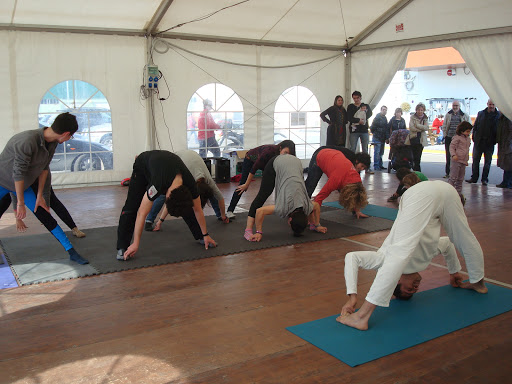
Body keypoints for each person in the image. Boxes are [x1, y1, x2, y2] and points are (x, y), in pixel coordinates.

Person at [337, 180, 486, 331]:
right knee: (464, 237)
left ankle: (361, 317)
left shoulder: (383, 260)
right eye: (414, 291)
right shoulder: (424, 260)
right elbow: (447, 244)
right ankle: (478, 282)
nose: (415, 288)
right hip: (447, 190)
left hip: (420, 193)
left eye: (408, 290)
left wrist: (353, 297)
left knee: (399, 253)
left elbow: (352, 257)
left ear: (396, 281)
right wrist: (454, 272)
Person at [0, 112, 88, 264]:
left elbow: (44, 169)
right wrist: (20, 203)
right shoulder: (27, 141)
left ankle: (71, 252)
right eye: (71, 136)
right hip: (3, 181)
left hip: (22, 184)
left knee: (44, 214)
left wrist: (40, 195)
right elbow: (18, 173)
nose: (69, 139)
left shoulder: (52, 142)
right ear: (66, 134)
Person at [116, 150, 217, 261]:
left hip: (163, 165)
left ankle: (200, 236)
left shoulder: (191, 185)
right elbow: (141, 213)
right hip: (143, 165)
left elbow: (198, 210)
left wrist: (205, 234)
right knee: (132, 205)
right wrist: (136, 243)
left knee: (184, 206)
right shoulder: (157, 185)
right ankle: (122, 246)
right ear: (166, 196)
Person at [244, 154, 327, 241]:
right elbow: (259, 211)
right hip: (277, 161)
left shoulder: (307, 206)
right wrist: (258, 232)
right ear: (290, 220)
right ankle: (248, 230)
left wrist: (317, 225)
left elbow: (316, 206)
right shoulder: (283, 207)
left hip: (296, 161)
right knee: (263, 195)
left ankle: (313, 225)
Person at [145, 150, 230, 233]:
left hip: (192, 157)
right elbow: (171, 199)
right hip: (173, 159)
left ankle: (219, 215)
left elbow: (220, 198)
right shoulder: (184, 180)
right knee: (164, 195)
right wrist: (160, 221)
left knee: (211, 193)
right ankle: (149, 220)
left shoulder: (208, 181)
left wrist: (223, 216)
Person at [225, 140, 296, 219]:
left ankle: (259, 210)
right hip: (251, 159)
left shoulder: (282, 157)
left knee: (268, 188)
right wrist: (247, 184)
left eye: (289, 154)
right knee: (242, 184)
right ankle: (229, 211)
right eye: (285, 152)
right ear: (280, 148)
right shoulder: (269, 152)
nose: (286, 155)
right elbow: (254, 168)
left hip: (266, 164)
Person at [6, 170, 86, 237]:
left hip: (41, 181)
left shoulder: (43, 170)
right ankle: (58, 234)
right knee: (37, 209)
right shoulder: (15, 175)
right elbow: (14, 196)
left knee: (54, 202)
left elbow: (46, 192)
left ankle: (74, 228)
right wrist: (18, 218)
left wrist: (47, 208)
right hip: (27, 183)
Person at [305, 148, 369, 218]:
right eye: (362, 166)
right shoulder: (336, 180)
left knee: (350, 193)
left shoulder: (357, 180)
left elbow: (356, 196)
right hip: (321, 155)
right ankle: (302, 211)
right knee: (310, 187)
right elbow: (320, 197)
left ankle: (355, 212)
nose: (362, 169)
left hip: (335, 156)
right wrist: (315, 220)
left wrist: (357, 210)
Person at [466, 100, 500, 186]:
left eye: (493, 104)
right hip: (479, 142)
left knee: (487, 163)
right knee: (475, 161)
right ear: (487, 104)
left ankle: (484, 179)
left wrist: (495, 140)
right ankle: (474, 178)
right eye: (490, 104)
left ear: (495, 105)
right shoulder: (481, 113)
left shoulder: (498, 115)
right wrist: (474, 137)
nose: (491, 106)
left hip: (490, 143)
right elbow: (476, 126)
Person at [442, 101, 470, 178]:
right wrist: (445, 135)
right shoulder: (448, 115)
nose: (455, 107)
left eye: (456, 105)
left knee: (459, 156)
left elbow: (469, 126)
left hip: (459, 139)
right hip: (449, 138)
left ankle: (457, 174)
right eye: (454, 105)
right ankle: (448, 173)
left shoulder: (464, 115)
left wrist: (466, 136)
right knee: (448, 155)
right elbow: (444, 125)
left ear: (459, 106)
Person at [448, 122, 473, 201]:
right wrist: (453, 155)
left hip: (463, 161)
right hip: (456, 160)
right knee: (453, 177)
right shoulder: (457, 138)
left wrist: (466, 160)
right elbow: (451, 147)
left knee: (460, 179)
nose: (468, 133)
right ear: (462, 131)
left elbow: (467, 150)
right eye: (467, 131)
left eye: (469, 131)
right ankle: (449, 193)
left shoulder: (468, 139)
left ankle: (458, 194)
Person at [347, 91, 373, 163]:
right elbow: (349, 117)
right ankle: (351, 164)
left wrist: (363, 119)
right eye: (354, 98)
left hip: (364, 130)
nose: (356, 100)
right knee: (353, 148)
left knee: (365, 149)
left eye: (357, 98)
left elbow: (370, 113)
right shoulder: (351, 106)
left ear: (360, 97)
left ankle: (366, 165)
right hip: (354, 130)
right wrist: (358, 120)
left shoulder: (365, 106)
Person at [407, 103, 429, 172]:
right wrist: (420, 129)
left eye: (422, 110)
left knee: (418, 157)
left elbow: (426, 127)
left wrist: (418, 125)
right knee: (413, 157)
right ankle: (415, 170)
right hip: (413, 138)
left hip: (421, 139)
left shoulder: (425, 118)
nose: (420, 111)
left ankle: (417, 171)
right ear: (416, 110)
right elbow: (412, 127)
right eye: (419, 110)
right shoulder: (412, 117)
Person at [370, 106, 389, 171]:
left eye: (386, 110)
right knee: (377, 153)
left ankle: (380, 165)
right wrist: (375, 133)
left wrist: (387, 137)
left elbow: (386, 129)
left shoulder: (385, 118)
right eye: (383, 110)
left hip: (382, 138)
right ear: (381, 110)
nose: (384, 111)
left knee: (381, 153)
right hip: (377, 138)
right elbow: (372, 127)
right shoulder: (377, 118)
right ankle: (376, 166)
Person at [496, 114, 512, 188]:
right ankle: (505, 182)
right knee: (506, 164)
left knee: (509, 164)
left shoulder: (508, 118)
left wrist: (508, 142)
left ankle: (508, 183)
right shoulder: (502, 118)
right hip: (504, 144)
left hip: (508, 145)